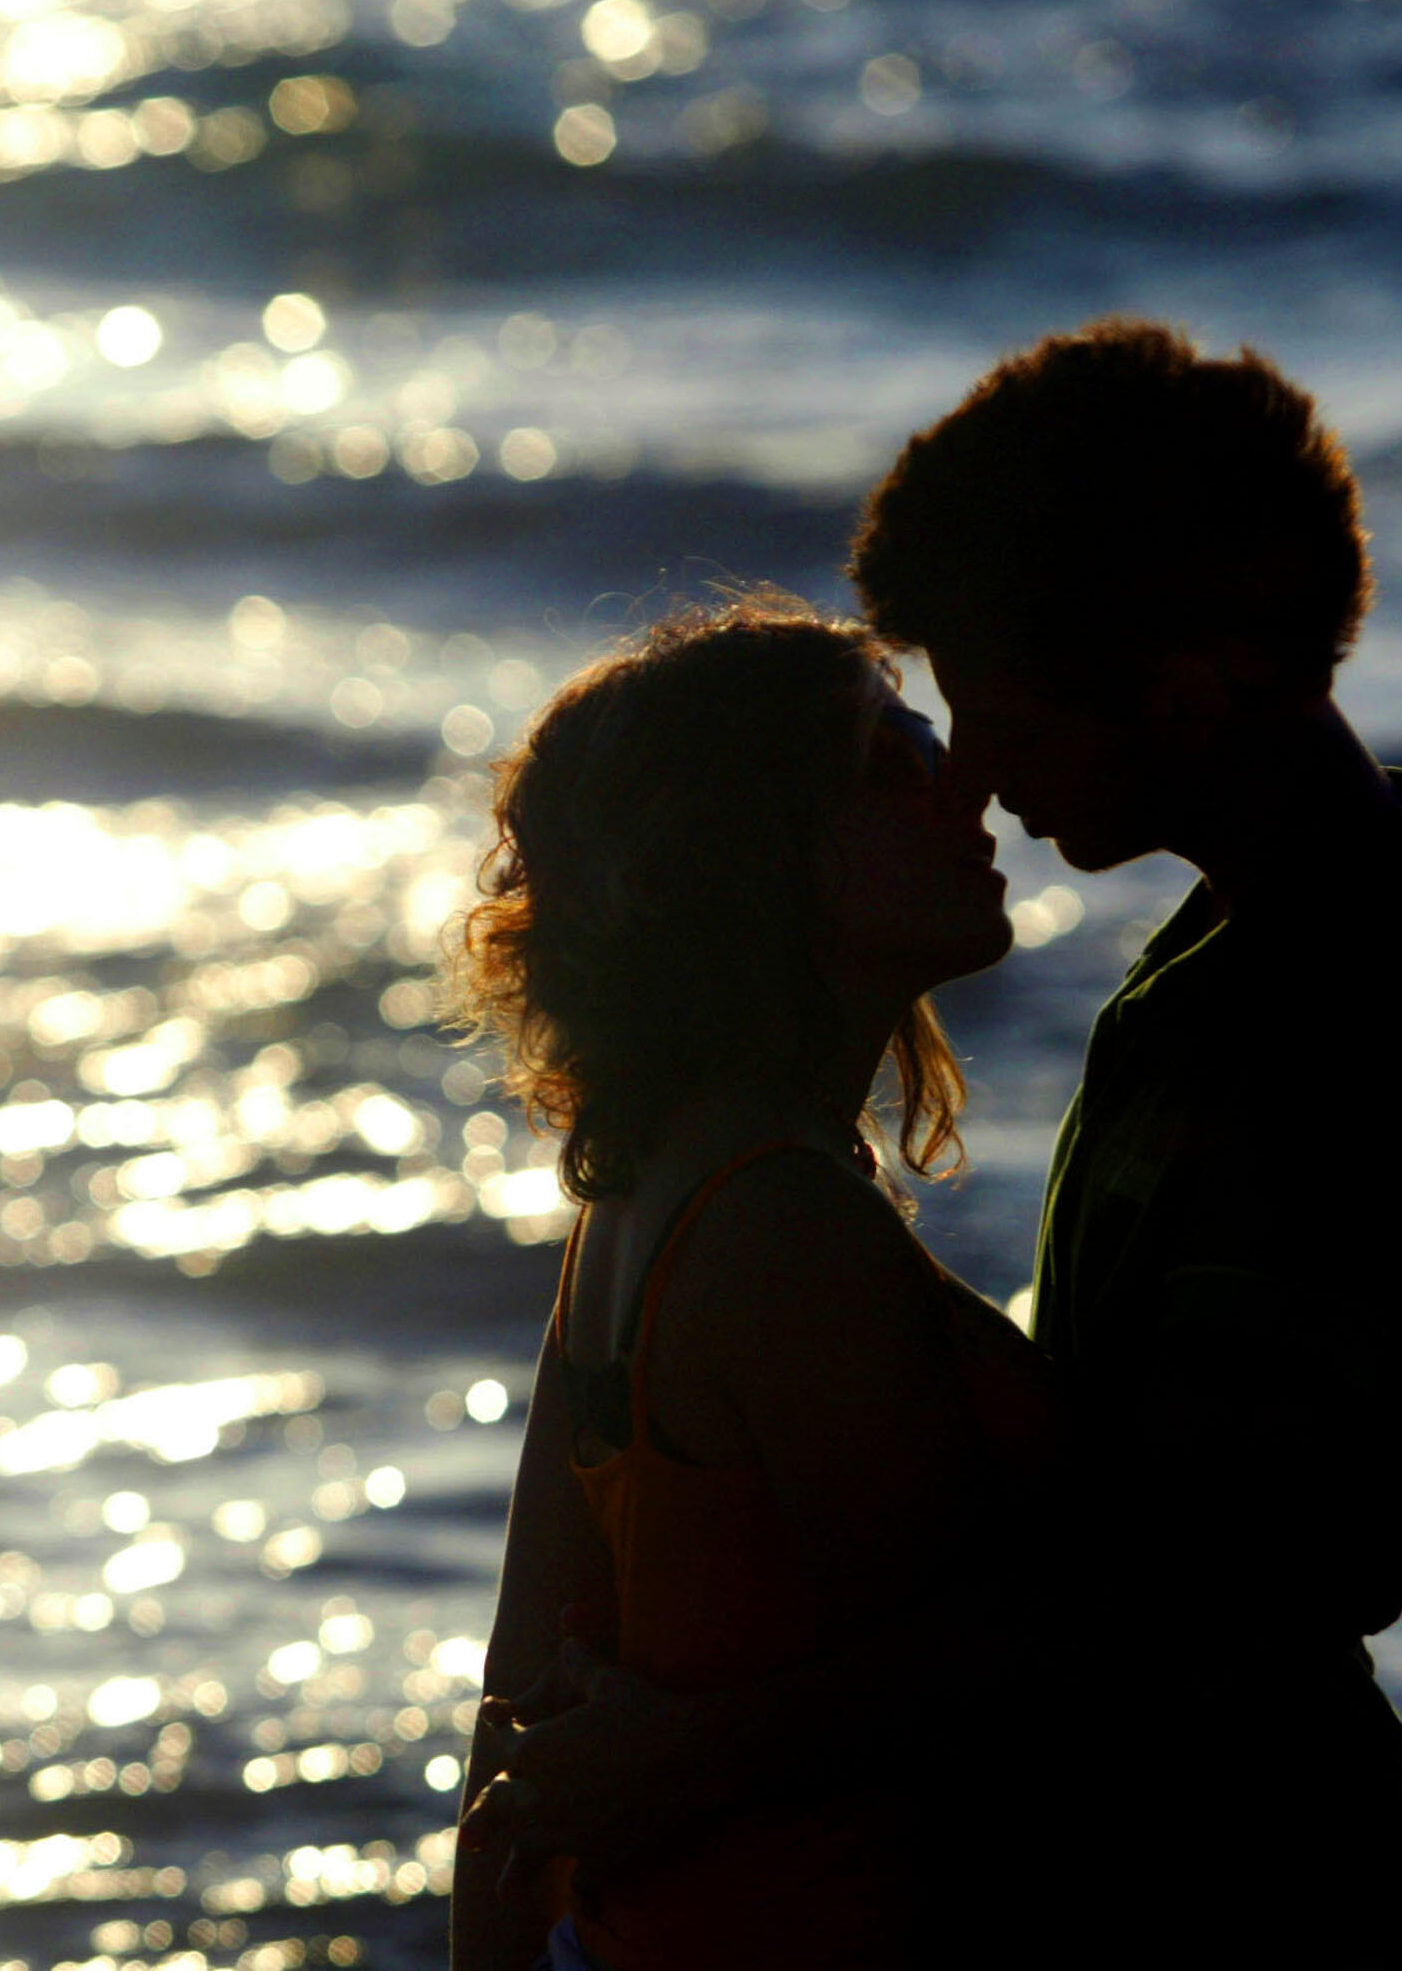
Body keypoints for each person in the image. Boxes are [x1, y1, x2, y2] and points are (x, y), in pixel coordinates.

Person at [460, 320, 1402, 1965]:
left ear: (1182, 698)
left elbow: (1185, 1598)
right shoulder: (1212, 968)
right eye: (907, 744)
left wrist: (680, 1758)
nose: (968, 776)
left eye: (986, 714)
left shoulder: (1367, 1028)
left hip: (1251, 1895)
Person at [443, 592, 1062, 1971]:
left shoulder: (650, 1187)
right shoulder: (782, 1224)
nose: (964, 781)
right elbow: (985, 1677)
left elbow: (516, 1694)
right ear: (749, 860)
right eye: (889, 763)